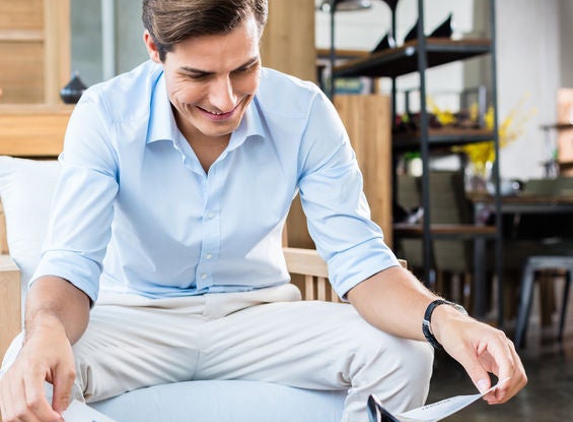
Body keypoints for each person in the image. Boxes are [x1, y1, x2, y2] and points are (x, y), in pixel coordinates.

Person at [0, 0, 527, 421]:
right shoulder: (106, 114)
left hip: (259, 318)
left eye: (244, 67)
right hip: (135, 320)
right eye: (199, 74)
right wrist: (45, 328)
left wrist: (446, 320)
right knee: (22, 367)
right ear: (154, 51)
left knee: (405, 353)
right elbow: (71, 262)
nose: (226, 98)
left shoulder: (304, 112)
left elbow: (360, 259)